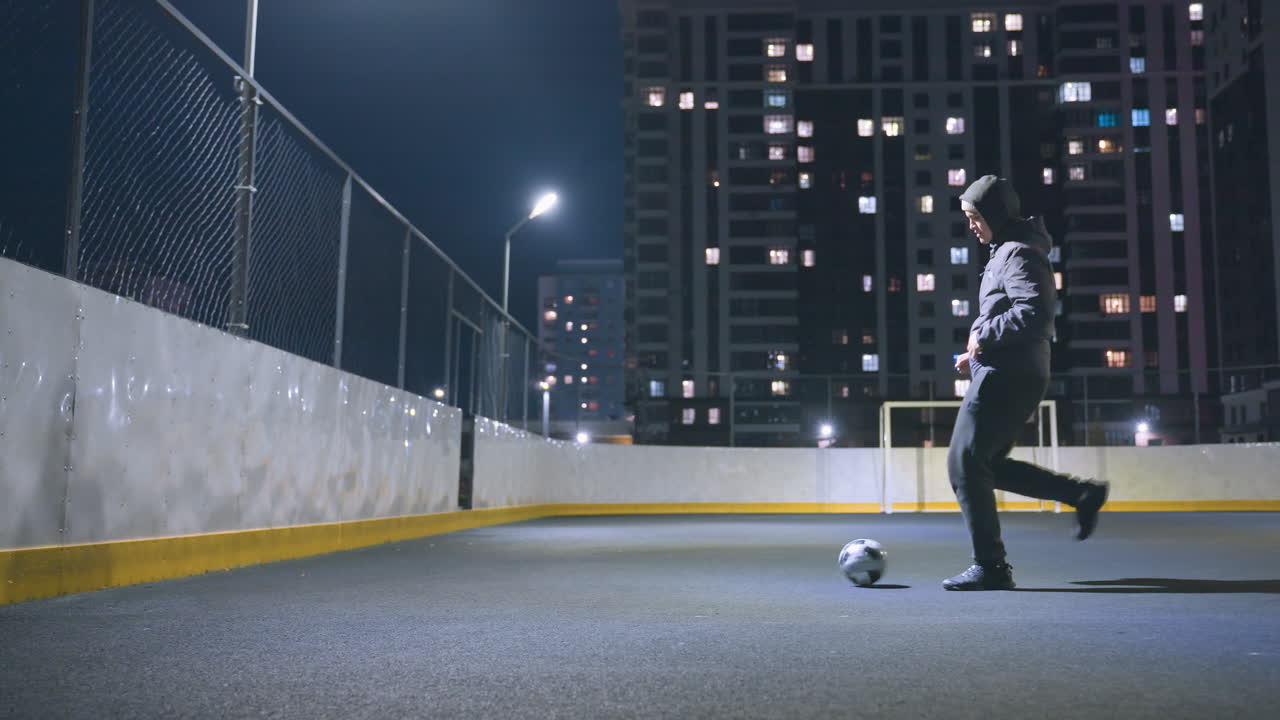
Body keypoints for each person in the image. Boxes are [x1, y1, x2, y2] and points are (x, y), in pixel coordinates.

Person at [944, 175, 1109, 591]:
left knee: (964, 462)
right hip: (1007, 370)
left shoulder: (1017, 252)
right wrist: (975, 352)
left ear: (995, 214)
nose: (971, 225)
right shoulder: (1005, 251)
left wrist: (984, 336)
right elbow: (1011, 315)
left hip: (1010, 374)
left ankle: (991, 567)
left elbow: (1036, 313)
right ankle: (1081, 494)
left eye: (975, 217)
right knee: (986, 464)